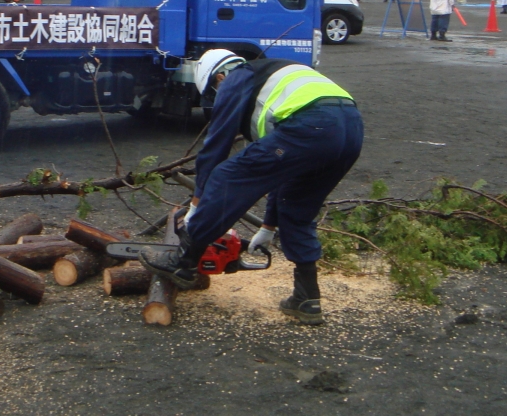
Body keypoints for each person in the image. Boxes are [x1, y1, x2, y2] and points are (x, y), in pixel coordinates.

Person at [140, 50, 363, 326]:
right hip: (351, 129)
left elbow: (216, 147)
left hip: (312, 124)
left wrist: (196, 207)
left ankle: (183, 261)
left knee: (226, 177)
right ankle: (307, 299)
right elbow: (278, 175)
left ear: (219, 76)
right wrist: (267, 227)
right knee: (297, 206)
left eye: (215, 91)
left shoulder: (237, 78)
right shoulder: (273, 82)